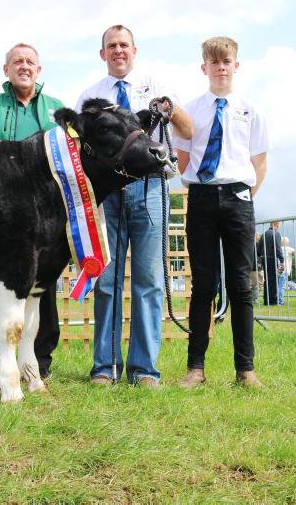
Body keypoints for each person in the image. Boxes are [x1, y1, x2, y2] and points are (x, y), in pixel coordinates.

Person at [76, 24, 193, 388]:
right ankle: (105, 368)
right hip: (107, 194)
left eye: (123, 45)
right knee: (106, 280)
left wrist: (170, 110)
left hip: (149, 189)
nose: (118, 51)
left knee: (149, 281)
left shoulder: (157, 86)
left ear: (134, 50)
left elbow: (188, 130)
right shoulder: (90, 96)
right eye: (111, 46)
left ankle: (144, 369)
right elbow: (77, 148)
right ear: (102, 54)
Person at [0, 43, 65, 378]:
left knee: (42, 283)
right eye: (17, 61)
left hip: (45, 213)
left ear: (39, 70)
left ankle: (39, 359)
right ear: (6, 70)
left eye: (30, 62)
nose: (24, 66)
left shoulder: (56, 110)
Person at [175, 36, 270, 389]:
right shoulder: (191, 109)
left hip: (238, 199)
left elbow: (259, 162)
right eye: (213, 62)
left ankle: (245, 370)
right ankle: (195, 369)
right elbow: (183, 157)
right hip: (201, 197)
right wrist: (201, 187)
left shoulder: (250, 109)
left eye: (225, 61)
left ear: (235, 65)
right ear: (204, 67)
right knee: (203, 284)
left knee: (242, 285)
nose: (219, 67)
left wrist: (242, 195)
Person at [257, 221, 284, 306]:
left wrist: (261, 256)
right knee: (273, 281)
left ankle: (266, 300)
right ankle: (272, 300)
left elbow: (258, 249)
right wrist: (282, 259)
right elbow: (277, 247)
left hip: (264, 258)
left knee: (267, 280)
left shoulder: (264, 234)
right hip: (272, 258)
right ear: (277, 225)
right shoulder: (276, 234)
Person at [278, 236, 295, 305]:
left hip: (279, 268)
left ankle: (277, 299)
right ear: (287, 243)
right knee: (282, 286)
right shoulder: (288, 249)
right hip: (285, 269)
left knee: (278, 285)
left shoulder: (278, 248)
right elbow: (295, 253)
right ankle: (280, 301)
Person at [248, 231, 263, 303]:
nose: (259, 237)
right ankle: (254, 299)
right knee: (257, 284)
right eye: (258, 235)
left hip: (252, 266)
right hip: (255, 267)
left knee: (252, 284)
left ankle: (252, 299)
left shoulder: (249, 244)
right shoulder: (256, 245)